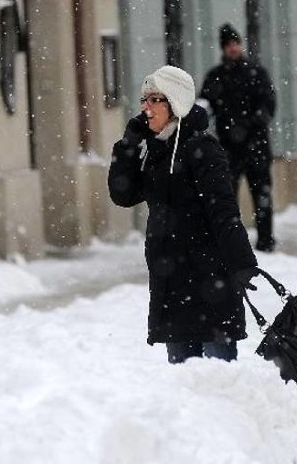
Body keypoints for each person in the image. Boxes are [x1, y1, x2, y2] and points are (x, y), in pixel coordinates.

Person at [108, 65, 260, 364]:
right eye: (144, 99)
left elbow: (224, 211)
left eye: (155, 99)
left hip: (210, 281)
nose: (145, 107)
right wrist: (127, 146)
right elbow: (123, 195)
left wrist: (241, 263)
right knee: (186, 389)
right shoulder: (156, 151)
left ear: (175, 103)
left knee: (219, 383)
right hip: (173, 284)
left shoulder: (203, 149)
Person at [200, 23, 277, 252]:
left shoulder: (256, 73)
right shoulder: (216, 77)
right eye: (229, 45)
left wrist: (249, 125)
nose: (233, 48)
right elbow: (206, 105)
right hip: (228, 148)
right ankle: (229, 240)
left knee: (261, 194)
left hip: (256, 145)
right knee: (226, 198)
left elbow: (268, 106)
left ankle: (265, 240)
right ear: (223, 49)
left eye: (236, 44)